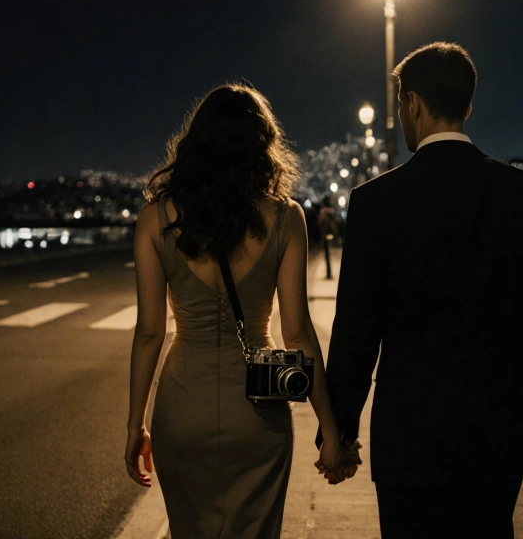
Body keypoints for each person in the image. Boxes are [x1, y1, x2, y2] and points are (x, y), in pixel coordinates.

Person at [319, 42, 523, 537]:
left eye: (401, 106)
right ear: (467, 106)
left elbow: (356, 333)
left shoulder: (375, 202)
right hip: (498, 435)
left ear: (412, 104)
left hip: (409, 437)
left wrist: (338, 434)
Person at [125, 84, 356, 538]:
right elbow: (299, 334)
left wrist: (136, 424)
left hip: (181, 407)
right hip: (258, 413)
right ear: (262, 145)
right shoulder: (287, 218)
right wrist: (332, 432)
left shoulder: (156, 219)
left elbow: (149, 333)